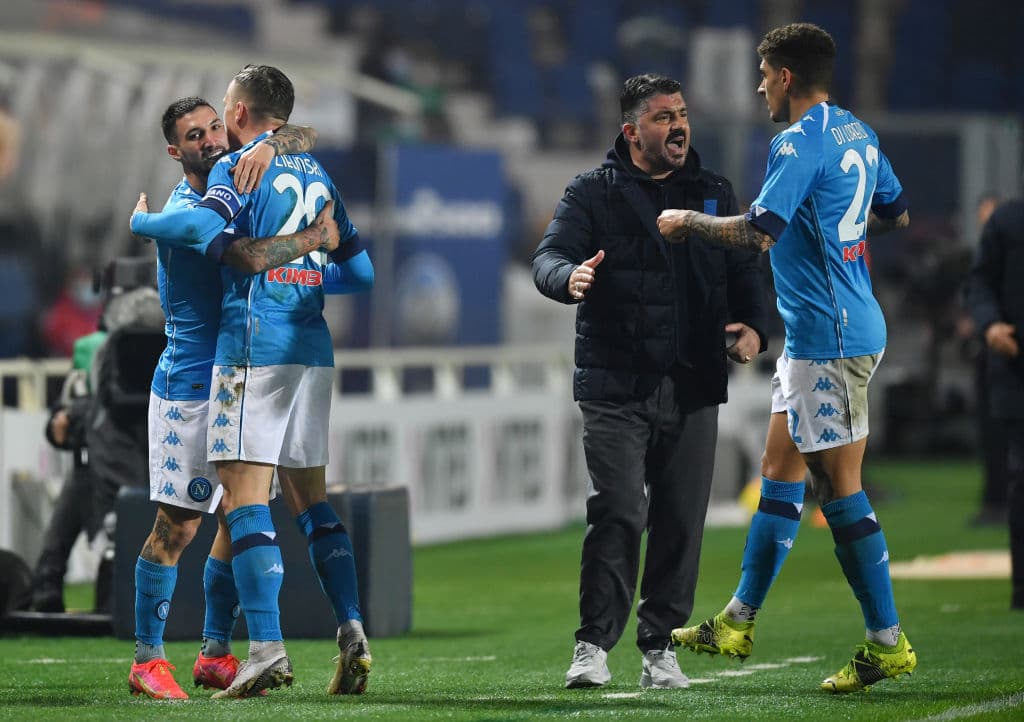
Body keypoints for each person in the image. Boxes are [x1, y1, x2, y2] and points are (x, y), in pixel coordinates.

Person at [657, 23, 915, 693]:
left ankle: (887, 642)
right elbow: (897, 211)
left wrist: (686, 222)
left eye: (765, 74)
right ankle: (738, 619)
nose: (760, 86)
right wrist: (841, 236)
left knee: (838, 489)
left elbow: (756, 232)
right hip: (821, 333)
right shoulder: (856, 132)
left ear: (788, 77)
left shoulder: (797, 142)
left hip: (831, 336)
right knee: (779, 468)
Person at [130, 67, 375, 699]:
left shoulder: (242, 172)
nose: (211, 140)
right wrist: (311, 252)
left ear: (235, 117)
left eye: (216, 125)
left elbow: (246, 246)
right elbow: (238, 251)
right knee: (185, 522)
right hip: (195, 380)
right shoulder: (209, 195)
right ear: (174, 149)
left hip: (245, 362)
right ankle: (149, 659)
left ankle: (227, 650)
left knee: (237, 513)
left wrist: (273, 143)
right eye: (195, 134)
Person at [532, 73, 769, 690]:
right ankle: (592, 645)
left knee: (682, 520)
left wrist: (756, 329)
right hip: (615, 383)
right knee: (616, 511)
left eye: (683, 113)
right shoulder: (591, 192)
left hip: (693, 380)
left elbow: (746, 268)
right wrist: (569, 279)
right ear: (631, 130)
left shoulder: (714, 190)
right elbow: (548, 257)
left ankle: (658, 645)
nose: (679, 126)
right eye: (664, 117)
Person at [966, 196, 1024, 610]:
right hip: (1015, 364)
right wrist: (989, 326)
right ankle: (1022, 589)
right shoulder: (1007, 220)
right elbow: (980, 282)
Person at [965, 194, 1009, 527]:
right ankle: (994, 499)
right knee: (990, 429)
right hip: (989, 356)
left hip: (1004, 351)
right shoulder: (979, 257)